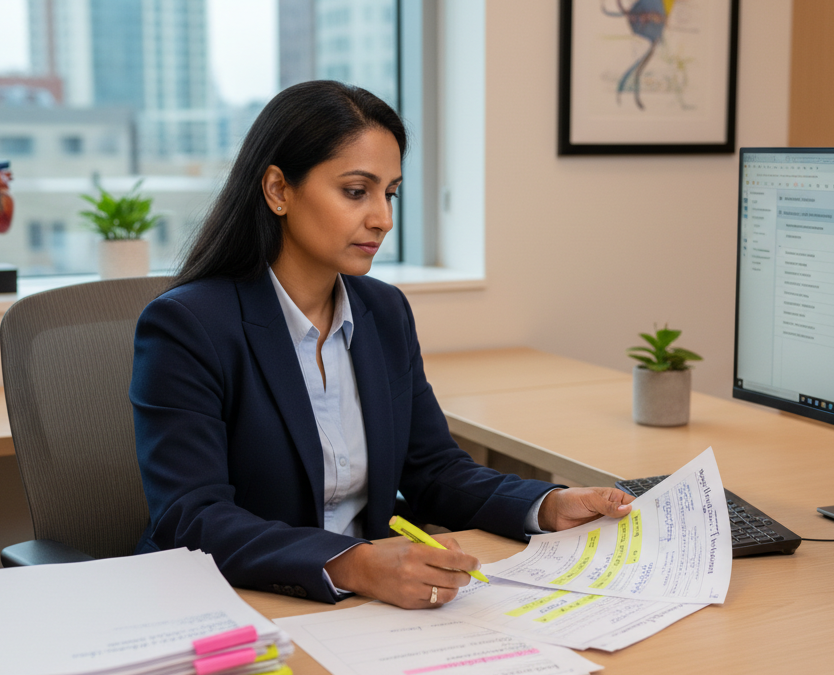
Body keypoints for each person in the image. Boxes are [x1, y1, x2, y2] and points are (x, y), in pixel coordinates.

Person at [130, 81, 633, 610]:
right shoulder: (187, 326)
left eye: (389, 193)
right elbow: (193, 516)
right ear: (278, 189)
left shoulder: (383, 312)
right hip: (236, 603)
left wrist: (548, 505)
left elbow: (434, 471)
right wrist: (356, 563)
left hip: (368, 607)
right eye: (355, 191)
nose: (383, 218)